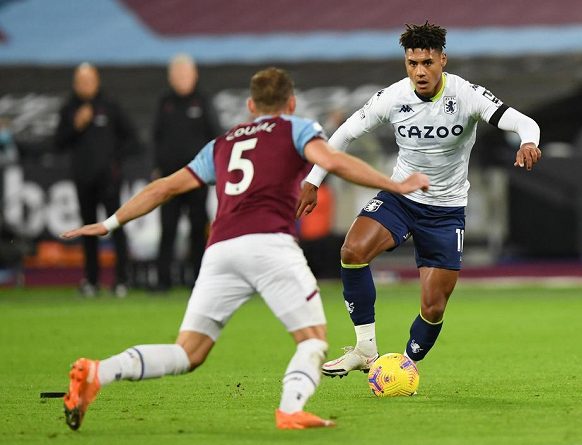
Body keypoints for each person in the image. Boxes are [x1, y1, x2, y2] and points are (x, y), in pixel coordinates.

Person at [59, 67, 429, 431]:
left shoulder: (222, 143)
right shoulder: (296, 128)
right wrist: (392, 185)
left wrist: (109, 223)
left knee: (188, 352)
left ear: (251, 105)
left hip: (220, 250)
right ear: (292, 102)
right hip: (270, 245)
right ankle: (290, 410)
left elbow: (165, 187)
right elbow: (332, 160)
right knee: (312, 341)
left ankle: (97, 372)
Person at [297, 22, 542, 377]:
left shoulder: (466, 94)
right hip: (401, 198)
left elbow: (522, 121)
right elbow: (344, 134)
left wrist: (528, 141)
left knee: (433, 307)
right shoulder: (393, 97)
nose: (420, 71)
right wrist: (313, 179)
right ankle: (365, 349)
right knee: (352, 251)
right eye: (413, 64)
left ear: (442, 59)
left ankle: (405, 365)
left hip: (445, 212)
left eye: (427, 62)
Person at [55, 63, 136, 298]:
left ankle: (122, 279)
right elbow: (58, 143)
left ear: (97, 81)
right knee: (87, 229)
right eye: (81, 81)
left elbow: (132, 140)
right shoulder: (69, 108)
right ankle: (91, 280)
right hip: (83, 179)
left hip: (109, 179)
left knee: (117, 226)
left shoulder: (110, 106)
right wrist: (75, 126)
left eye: (89, 81)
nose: (85, 85)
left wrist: (113, 160)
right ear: (75, 84)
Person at [152, 54, 223, 291]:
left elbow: (217, 137)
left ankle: (198, 280)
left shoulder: (202, 101)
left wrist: (215, 168)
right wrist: (156, 167)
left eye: (185, 74)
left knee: (197, 229)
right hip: (170, 178)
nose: (182, 79)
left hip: (196, 179)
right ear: (171, 78)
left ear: (195, 75)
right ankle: (163, 281)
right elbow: (156, 138)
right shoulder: (164, 102)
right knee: (168, 229)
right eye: (178, 75)